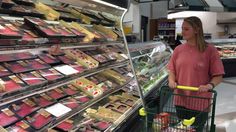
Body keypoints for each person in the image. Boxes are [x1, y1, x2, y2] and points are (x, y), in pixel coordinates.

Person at [167, 16, 225, 131]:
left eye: (186, 29)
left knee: (196, 129)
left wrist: (209, 86)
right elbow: (171, 70)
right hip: (180, 98)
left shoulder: (210, 50)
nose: (182, 32)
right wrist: (171, 80)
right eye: (182, 29)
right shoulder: (178, 50)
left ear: (197, 30)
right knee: (182, 128)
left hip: (200, 101)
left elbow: (218, 75)